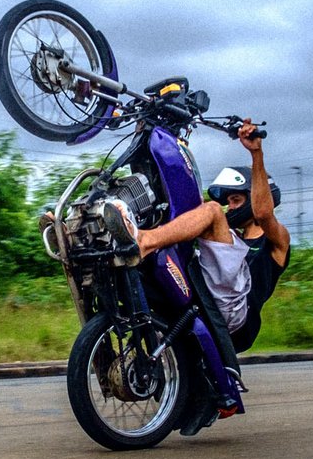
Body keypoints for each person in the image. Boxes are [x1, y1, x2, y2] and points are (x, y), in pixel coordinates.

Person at [102, 120, 291, 352]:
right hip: (207, 298)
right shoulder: (231, 239)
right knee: (178, 224)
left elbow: (263, 213)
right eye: (229, 202)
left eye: (236, 201)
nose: (230, 208)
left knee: (211, 211)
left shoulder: (276, 241)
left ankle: (143, 241)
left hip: (236, 315)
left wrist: (256, 153)